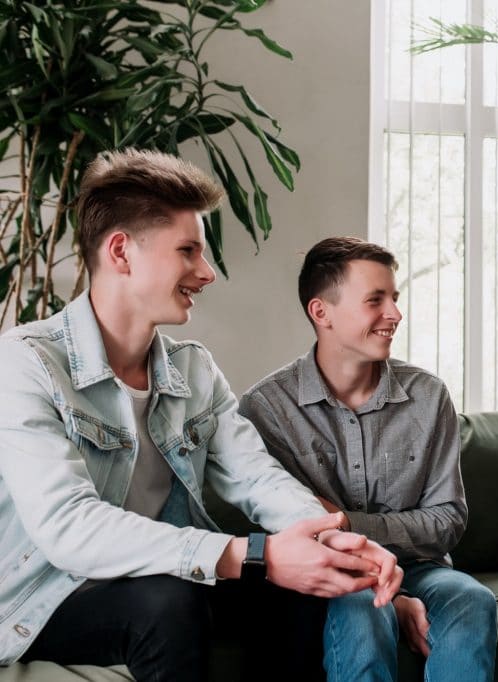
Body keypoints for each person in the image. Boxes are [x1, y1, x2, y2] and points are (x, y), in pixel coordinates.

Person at [0, 150, 401, 679]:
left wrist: (330, 538)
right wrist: (250, 554)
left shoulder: (193, 369)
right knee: (168, 602)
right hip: (46, 600)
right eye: (188, 251)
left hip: (164, 574)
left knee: (313, 586)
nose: (207, 273)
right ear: (122, 252)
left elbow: (255, 476)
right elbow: (68, 528)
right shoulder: (25, 361)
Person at [239, 236, 497, 682]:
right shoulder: (268, 409)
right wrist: (383, 586)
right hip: (328, 575)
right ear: (321, 313)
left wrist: (344, 522)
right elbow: (295, 532)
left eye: (394, 299)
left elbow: (447, 521)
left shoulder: (428, 396)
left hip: (423, 570)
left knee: (471, 598)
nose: (395, 314)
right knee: (361, 602)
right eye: (375, 300)